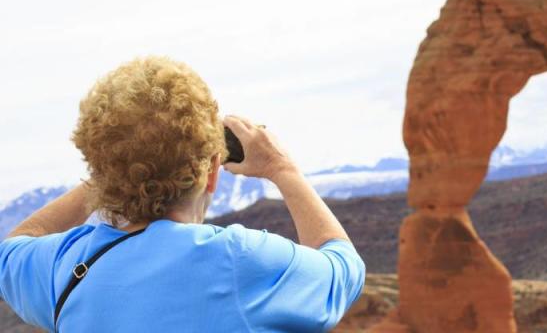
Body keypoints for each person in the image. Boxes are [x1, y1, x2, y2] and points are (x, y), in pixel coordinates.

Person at [0, 56, 365, 332]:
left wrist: (115, 165)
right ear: (211, 173)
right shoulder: (240, 262)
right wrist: (282, 170)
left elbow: (12, 251)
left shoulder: (62, 266)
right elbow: (343, 271)